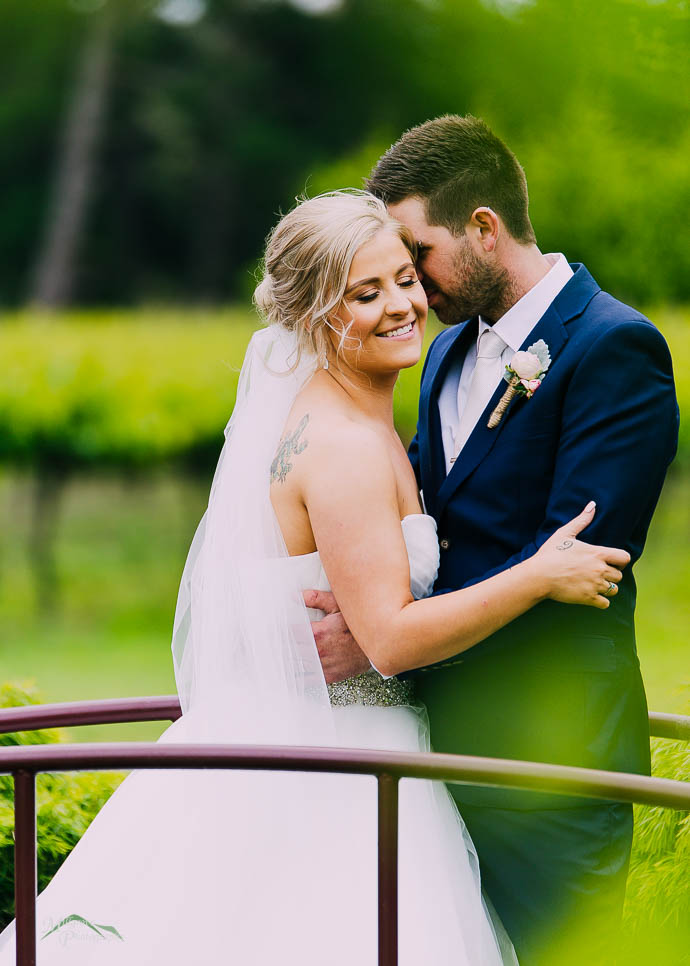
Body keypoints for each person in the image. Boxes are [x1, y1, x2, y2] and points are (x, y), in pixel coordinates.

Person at [0, 191, 629, 965]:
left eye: (404, 279)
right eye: (365, 294)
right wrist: (537, 576)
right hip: (343, 769)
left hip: (324, 740)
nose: (401, 306)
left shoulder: (349, 418)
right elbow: (392, 641)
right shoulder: (346, 450)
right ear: (315, 314)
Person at [309, 119, 680, 965]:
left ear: (482, 227)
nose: (407, 286)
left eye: (417, 253)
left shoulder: (615, 348)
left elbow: (575, 563)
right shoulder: (443, 353)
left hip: (550, 764)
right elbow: (425, 517)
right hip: (439, 754)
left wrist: (385, 641)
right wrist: (361, 596)